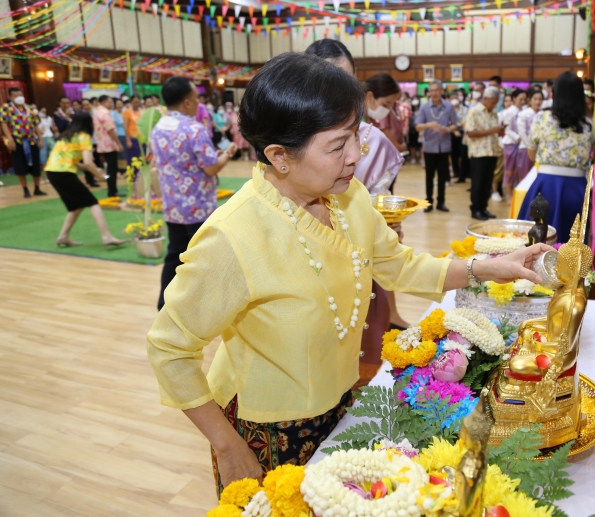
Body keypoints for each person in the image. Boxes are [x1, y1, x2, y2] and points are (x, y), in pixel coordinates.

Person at [145, 53, 551, 493]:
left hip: (340, 402)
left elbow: (398, 265)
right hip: (265, 429)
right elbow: (169, 348)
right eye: (337, 146)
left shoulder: (349, 197)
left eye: (355, 135)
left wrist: (492, 267)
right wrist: (227, 446)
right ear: (279, 156)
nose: (356, 155)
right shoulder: (233, 237)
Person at [305, 37, 409, 346]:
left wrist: (386, 226)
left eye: (345, 83)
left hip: (360, 262)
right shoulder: (292, 139)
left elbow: (380, 207)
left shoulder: (371, 140)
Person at [150, 77, 238, 310]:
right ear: (188, 103)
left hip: (172, 206)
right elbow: (210, 167)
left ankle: (165, 304)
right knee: (204, 256)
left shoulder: (158, 128)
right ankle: (205, 306)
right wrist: (227, 154)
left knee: (174, 255)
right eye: (196, 99)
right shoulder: (193, 128)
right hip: (197, 206)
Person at [517, 72, 595, 243]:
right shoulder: (588, 124)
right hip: (577, 189)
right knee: (572, 244)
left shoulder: (541, 118)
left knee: (538, 242)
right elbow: (592, 154)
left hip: (546, 186)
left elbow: (532, 154)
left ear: (554, 94)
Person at [43, 111, 126, 249]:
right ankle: (106, 236)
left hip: (52, 173)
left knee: (76, 206)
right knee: (93, 203)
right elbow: (88, 162)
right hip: (64, 174)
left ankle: (63, 236)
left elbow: (75, 162)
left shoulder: (66, 136)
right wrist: (101, 177)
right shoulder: (84, 137)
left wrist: (91, 170)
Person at [415, 79, 459, 213]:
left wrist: (448, 129)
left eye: (436, 90)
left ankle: (441, 202)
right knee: (429, 176)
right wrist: (429, 125)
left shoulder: (449, 106)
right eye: (431, 90)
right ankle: (428, 202)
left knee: (443, 176)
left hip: (444, 147)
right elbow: (417, 126)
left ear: (442, 91)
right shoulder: (424, 107)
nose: (434, 93)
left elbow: (455, 124)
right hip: (430, 147)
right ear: (429, 92)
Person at [465, 86, 504, 221]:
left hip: (492, 152)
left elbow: (494, 131)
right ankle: (475, 209)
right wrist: (493, 130)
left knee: (487, 183)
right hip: (478, 153)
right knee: (478, 183)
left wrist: (498, 130)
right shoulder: (474, 112)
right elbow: (470, 133)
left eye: (496, 102)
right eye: (493, 102)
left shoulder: (493, 113)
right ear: (486, 98)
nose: (495, 105)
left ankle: (483, 208)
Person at [1, 87, 46, 198]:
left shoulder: (29, 108)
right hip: (17, 141)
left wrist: (40, 139)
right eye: (16, 96)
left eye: (20, 95)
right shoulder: (6, 108)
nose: (19, 97)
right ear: (10, 97)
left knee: (36, 165)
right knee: (20, 166)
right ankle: (25, 189)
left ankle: (37, 188)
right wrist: (10, 139)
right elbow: (3, 123)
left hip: (31, 140)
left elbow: (35, 124)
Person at [501, 88, 530, 196]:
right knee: (510, 169)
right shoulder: (509, 112)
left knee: (520, 169)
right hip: (511, 143)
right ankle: (509, 194)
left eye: (525, 99)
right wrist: (518, 136)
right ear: (514, 99)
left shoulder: (525, 110)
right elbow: (507, 129)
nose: (523, 102)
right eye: (520, 99)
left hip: (522, 144)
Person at [93, 95, 124, 198]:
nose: (112, 104)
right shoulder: (105, 113)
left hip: (102, 143)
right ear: (104, 102)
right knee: (112, 169)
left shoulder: (97, 112)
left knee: (109, 168)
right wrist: (118, 143)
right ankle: (112, 191)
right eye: (110, 102)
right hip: (109, 144)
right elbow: (110, 129)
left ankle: (112, 190)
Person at [517, 87, 544, 155]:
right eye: (535, 99)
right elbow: (522, 132)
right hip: (525, 147)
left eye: (540, 99)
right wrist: (530, 146)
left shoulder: (544, 114)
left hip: (541, 148)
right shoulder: (523, 114)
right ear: (530, 100)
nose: (538, 102)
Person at [450, 91, 469, 183]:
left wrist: (459, 128)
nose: (454, 100)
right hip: (452, 133)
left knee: (463, 155)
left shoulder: (465, 109)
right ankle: (455, 172)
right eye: (452, 98)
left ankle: (463, 174)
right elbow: (447, 121)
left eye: (456, 98)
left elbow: (465, 121)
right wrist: (454, 130)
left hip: (463, 133)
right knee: (453, 154)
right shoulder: (448, 110)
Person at [37, 106, 57, 183]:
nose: (43, 113)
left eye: (45, 111)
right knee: (43, 158)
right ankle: (43, 177)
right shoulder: (36, 119)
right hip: (42, 138)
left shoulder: (49, 118)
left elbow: (52, 127)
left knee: (53, 156)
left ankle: (51, 176)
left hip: (50, 137)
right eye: (42, 111)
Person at [122, 95, 143, 163]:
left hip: (142, 139)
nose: (136, 104)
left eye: (138, 102)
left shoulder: (142, 111)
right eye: (135, 102)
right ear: (131, 102)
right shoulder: (127, 112)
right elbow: (125, 126)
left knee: (142, 158)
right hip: (132, 138)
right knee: (133, 159)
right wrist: (128, 140)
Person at [112, 98, 127, 173]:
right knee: (118, 153)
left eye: (120, 103)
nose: (119, 105)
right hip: (117, 136)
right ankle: (119, 170)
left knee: (125, 153)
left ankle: (125, 170)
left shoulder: (125, 113)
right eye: (117, 104)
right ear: (115, 105)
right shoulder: (112, 114)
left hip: (126, 135)